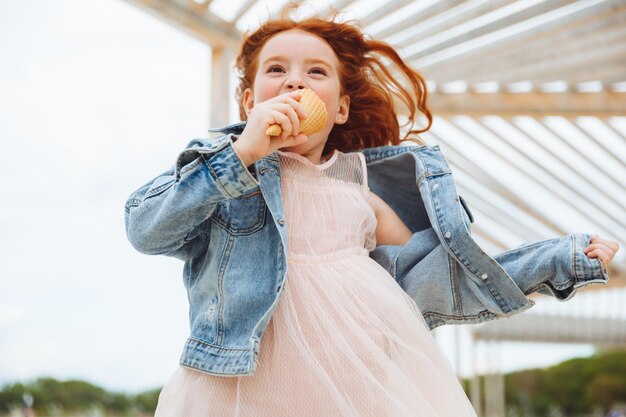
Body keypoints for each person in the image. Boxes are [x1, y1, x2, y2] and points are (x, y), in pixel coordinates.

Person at [124, 12, 620, 417]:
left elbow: (441, 278)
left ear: (340, 108)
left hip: (353, 386)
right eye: (276, 70)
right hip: (241, 390)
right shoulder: (220, 175)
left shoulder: (359, 186)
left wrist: (560, 259)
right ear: (251, 101)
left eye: (315, 72)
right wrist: (240, 155)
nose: (295, 80)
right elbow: (145, 228)